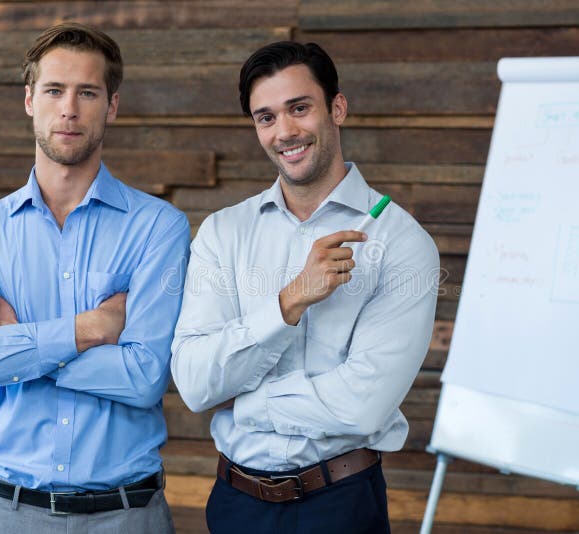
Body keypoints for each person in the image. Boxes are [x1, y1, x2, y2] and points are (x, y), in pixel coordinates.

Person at [171, 41, 439, 533]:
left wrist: (248, 404)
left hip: (340, 504)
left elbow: (364, 406)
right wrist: (289, 300)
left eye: (299, 108)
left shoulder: (400, 242)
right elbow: (193, 381)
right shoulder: (222, 232)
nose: (285, 132)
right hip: (235, 505)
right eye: (266, 117)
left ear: (337, 108)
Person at [0, 22, 189, 533]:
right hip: (9, 514)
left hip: (128, 517)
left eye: (87, 92)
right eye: (54, 90)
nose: (69, 108)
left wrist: (16, 349)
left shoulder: (159, 226)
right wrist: (88, 330)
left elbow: (144, 379)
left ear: (112, 105)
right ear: (30, 100)